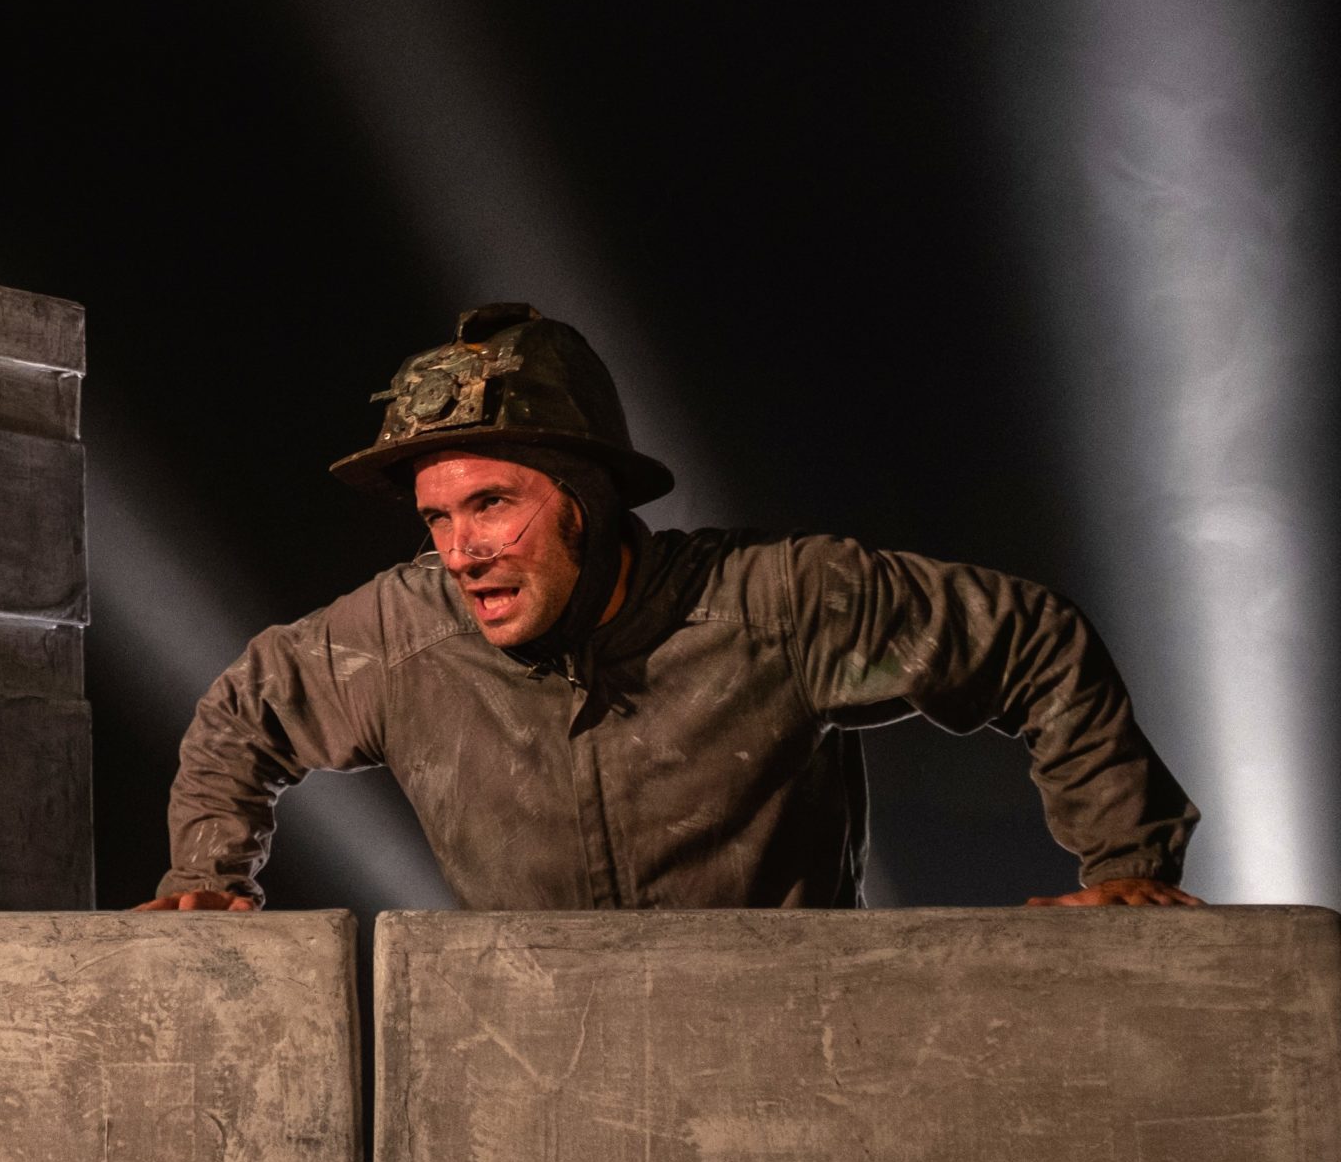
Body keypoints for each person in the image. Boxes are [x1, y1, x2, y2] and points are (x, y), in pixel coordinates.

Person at [140, 304, 1202, 913]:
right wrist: (205, 876)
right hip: (538, 1089)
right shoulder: (401, 636)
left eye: (492, 504)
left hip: (791, 1073)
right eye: (436, 518)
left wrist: (1125, 862)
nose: (460, 551)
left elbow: (1028, 641)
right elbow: (244, 714)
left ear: (589, 502)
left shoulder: (778, 604)